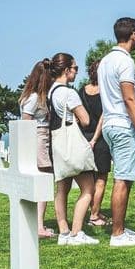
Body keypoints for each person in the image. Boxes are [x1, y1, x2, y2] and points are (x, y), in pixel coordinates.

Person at [98, 17, 135, 247]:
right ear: (133, 35)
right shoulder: (125, 62)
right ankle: (117, 234)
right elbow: (129, 97)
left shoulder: (105, 61)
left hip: (109, 122)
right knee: (123, 179)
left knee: (124, 177)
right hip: (122, 124)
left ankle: (120, 228)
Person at [46, 52, 99, 246]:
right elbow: (85, 120)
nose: (77, 72)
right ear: (67, 70)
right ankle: (77, 232)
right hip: (72, 144)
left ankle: (64, 232)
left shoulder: (51, 92)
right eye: (75, 68)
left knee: (62, 189)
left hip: (58, 144)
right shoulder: (69, 92)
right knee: (88, 189)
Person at [18, 58, 55, 239]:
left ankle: (37, 222)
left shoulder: (35, 96)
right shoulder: (33, 98)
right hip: (38, 138)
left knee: (44, 180)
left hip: (42, 137)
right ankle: (39, 226)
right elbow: (26, 123)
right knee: (44, 181)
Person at [78, 60, 111, 227]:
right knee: (101, 178)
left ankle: (92, 212)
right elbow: (103, 118)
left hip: (83, 137)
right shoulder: (106, 92)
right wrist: (95, 139)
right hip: (99, 139)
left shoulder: (81, 91)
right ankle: (94, 214)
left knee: (89, 179)